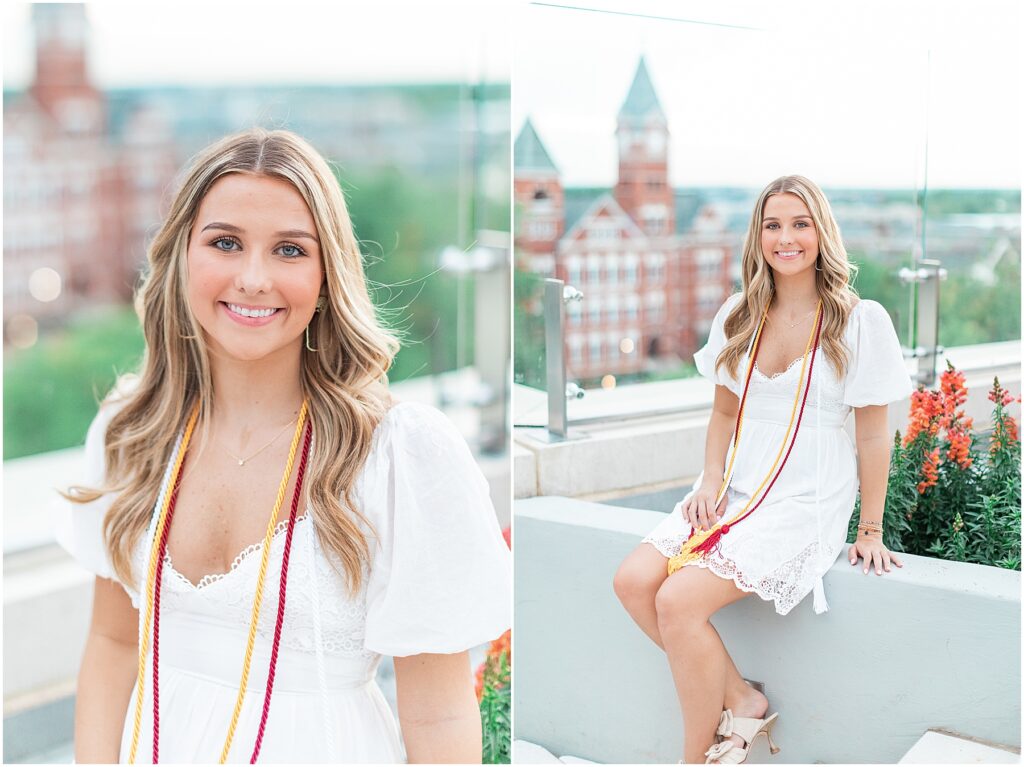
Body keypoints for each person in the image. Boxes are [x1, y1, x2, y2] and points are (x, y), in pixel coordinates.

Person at [58, 128, 511, 764]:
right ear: (182, 254)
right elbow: (112, 642)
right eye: (225, 242)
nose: (252, 278)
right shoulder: (130, 429)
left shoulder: (395, 453)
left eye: (290, 250)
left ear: (328, 276)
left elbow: (437, 714)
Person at [613, 175, 913, 764]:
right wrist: (707, 481)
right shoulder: (739, 315)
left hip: (807, 500)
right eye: (773, 225)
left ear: (821, 232)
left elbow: (874, 433)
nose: (786, 238)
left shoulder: (858, 321)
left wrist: (870, 529)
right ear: (758, 236)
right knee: (633, 582)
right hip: (737, 490)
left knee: (677, 602)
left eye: (800, 224)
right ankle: (740, 697)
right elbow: (724, 412)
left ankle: (694, 756)